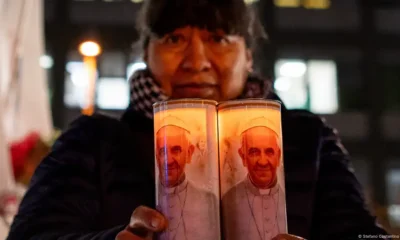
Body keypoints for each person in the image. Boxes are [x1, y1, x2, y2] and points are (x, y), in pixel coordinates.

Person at [7, 0, 386, 239]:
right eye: (174, 39)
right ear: (146, 53)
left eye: (218, 38)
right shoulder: (93, 139)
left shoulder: (307, 138)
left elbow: (362, 233)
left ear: (249, 56)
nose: (196, 60)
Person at [155, 117, 219, 240]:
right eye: (163, 152)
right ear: (157, 156)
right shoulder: (145, 194)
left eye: (176, 150)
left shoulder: (208, 200)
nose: (169, 161)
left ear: (189, 153)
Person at [222, 119, 286, 240]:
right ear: (243, 156)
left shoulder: (288, 196)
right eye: (254, 152)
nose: (262, 162)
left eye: (269, 152)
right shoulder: (228, 199)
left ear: (278, 155)